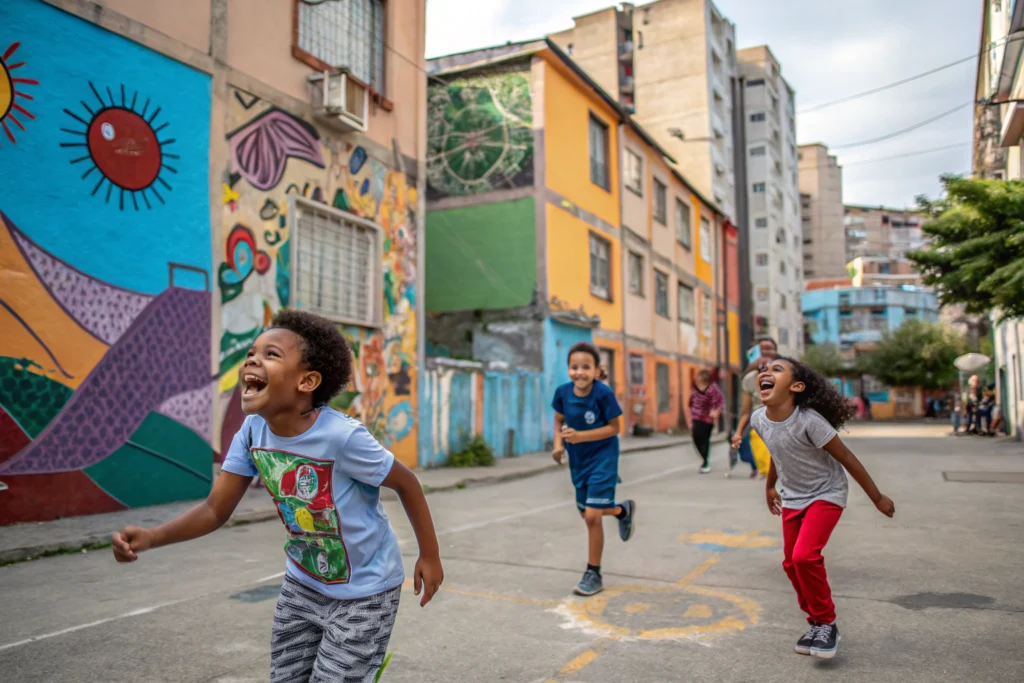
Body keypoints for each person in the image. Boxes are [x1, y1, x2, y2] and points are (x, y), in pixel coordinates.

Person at [111, 311, 443, 681]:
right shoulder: (252, 432)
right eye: (252, 353)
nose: (252, 359)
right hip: (302, 587)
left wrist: (429, 555)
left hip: (365, 594)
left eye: (271, 354)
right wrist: (153, 536)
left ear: (307, 381)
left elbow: (407, 483)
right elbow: (214, 508)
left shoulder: (342, 438)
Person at [752, 356, 895, 660]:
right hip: (793, 496)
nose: (766, 371)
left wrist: (877, 498)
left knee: (805, 557)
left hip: (826, 493)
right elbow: (778, 452)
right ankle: (816, 622)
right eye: (764, 369)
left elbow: (847, 459)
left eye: (777, 369)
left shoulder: (809, 421)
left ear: (797, 386)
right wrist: (769, 486)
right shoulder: (758, 419)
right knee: (790, 564)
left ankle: (827, 622)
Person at [552, 341, 636, 597]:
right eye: (574, 367)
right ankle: (622, 510)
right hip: (579, 461)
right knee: (587, 513)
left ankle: (593, 573)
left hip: (603, 457)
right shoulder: (562, 393)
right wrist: (559, 446)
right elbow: (558, 420)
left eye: (586, 367)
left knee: (592, 516)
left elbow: (614, 428)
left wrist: (580, 436)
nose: (579, 372)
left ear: (597, 370)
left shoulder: (603, 394)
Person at [730, 337, 778, 478]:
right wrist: (738, 433)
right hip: (759, 423)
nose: (766, 352)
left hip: (779, 422)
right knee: (746, 448)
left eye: (770, 348)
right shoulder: (749, 379)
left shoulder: (784, 374)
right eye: (762, 349)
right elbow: (745, 411)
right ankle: (759, 468)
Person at [689, 368, 724, 474]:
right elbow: (690, 403)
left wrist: (716, 412)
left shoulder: (712, 389)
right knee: (696, 437)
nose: (698, 381)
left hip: (707, 419)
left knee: (704, 440)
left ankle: (705, 462)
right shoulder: (695, 390)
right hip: (696, 417)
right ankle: (704, 459)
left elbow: (719, 402)